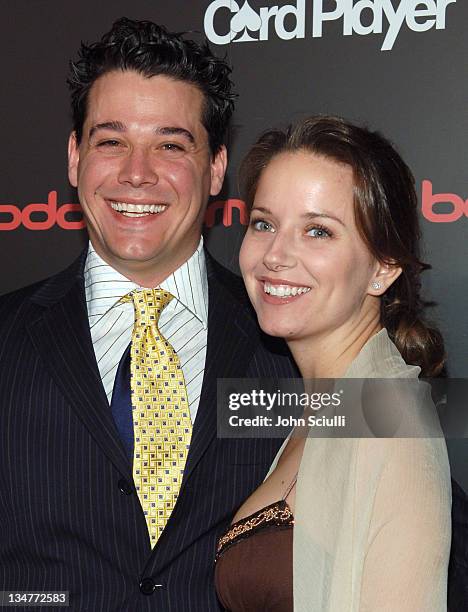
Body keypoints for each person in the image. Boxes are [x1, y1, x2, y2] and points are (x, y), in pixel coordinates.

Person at [0, 18, 296, 611]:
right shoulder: (7, 336)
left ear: (216, 167)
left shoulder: (296, 339)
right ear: (74, 157)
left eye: (170, 143)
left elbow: (430, 524)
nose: (137, 172)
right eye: (111, 140)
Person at [215, 116, 452, 610]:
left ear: (383, 268)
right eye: (264, 223)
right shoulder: (319, 408)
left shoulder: (391, 425)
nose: (275, 255)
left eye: (317, 231)